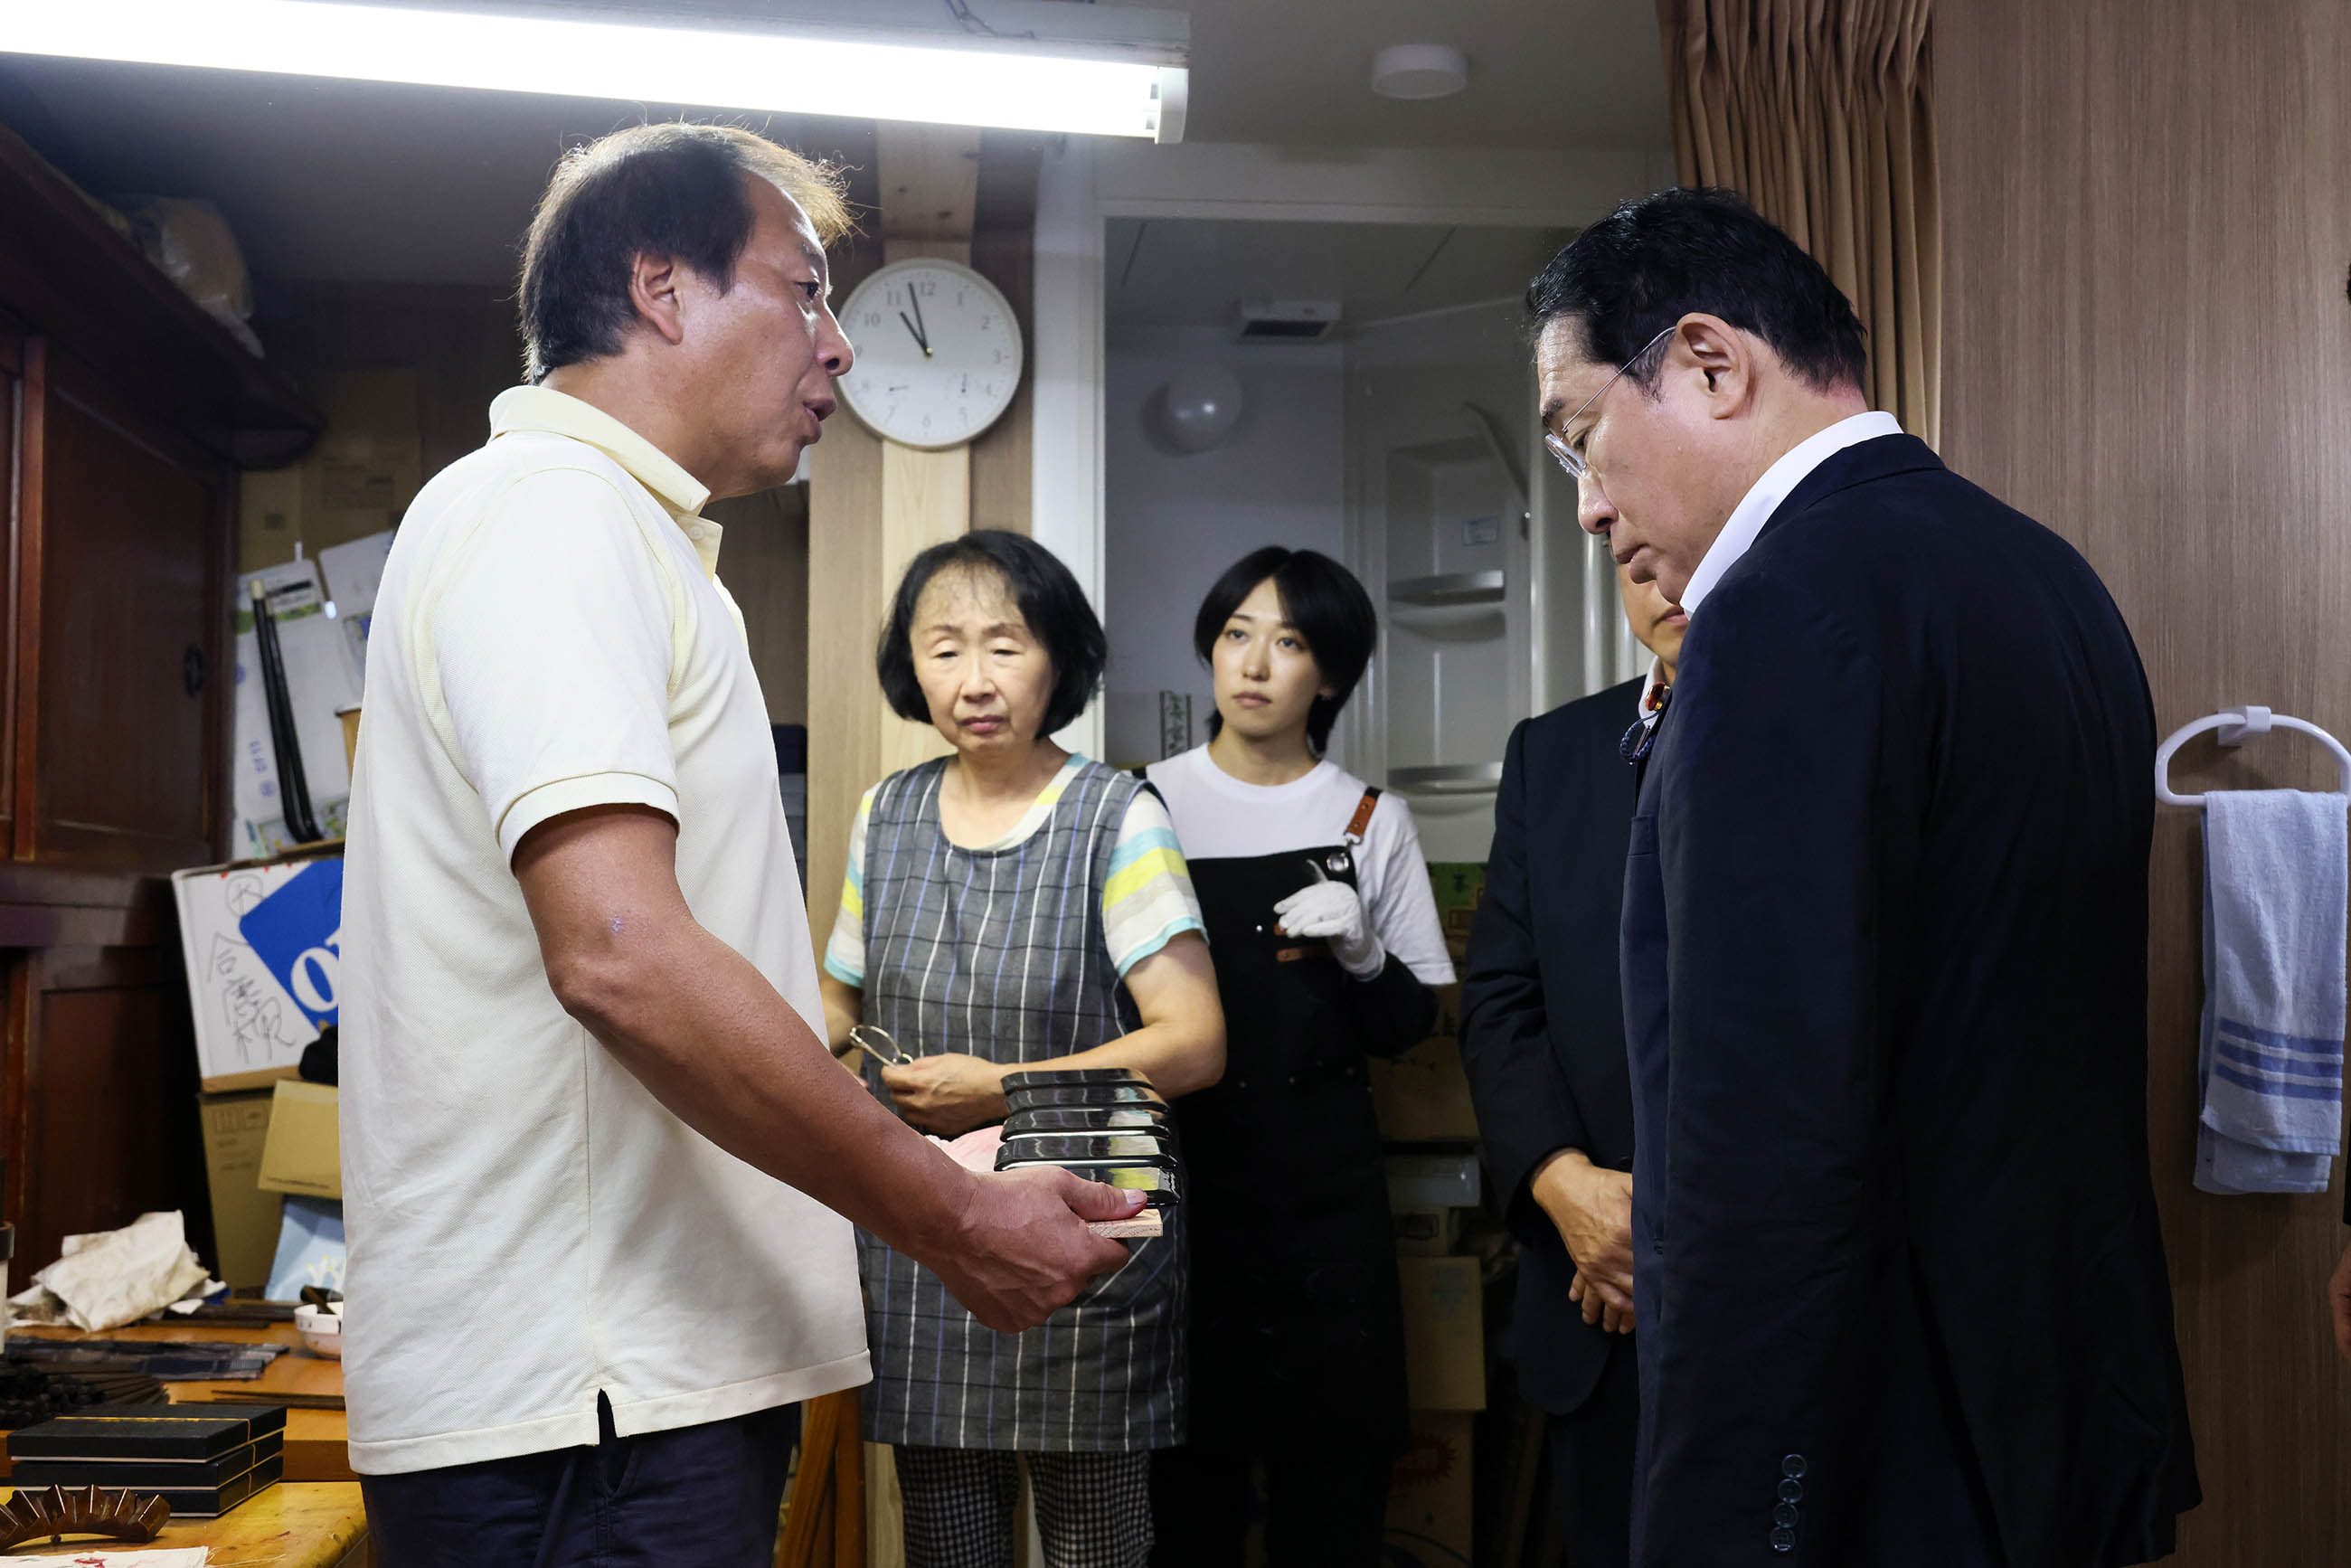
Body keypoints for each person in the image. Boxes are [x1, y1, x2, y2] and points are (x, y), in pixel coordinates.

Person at [339, 125, 1142, 1566]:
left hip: (630, 1396)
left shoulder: (632, 542)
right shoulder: (550, 516)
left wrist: (904, 1146)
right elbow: (623, 955)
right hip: (584, 1416)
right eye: (807, 291)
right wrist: (952, 1218)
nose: (840, 347)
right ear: (662, 288)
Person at [1533, 187, 2201, 1564]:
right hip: (2061, 1423)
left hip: (1879, 1459)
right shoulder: (2048, 576)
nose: (1592, 509)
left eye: (1585, 440)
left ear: (1712, 364)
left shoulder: (1776, 611)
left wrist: (1720, 1525)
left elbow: (1758, 1141)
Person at [819, 529, 1225, 1568]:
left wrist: (998, 1088)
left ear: (1059, 658)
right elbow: (832, 1009)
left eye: (1004, 644)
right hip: (925, 1239)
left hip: (1082, 1241)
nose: (974, 678)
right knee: (948, 1539)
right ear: (908, 667)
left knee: (1095, 1542)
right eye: (942, 647)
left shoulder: (1117, 815)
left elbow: (1193, 1044)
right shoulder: (885, 814)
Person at [1141, 548, 1456, 1567]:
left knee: (1334, 1501)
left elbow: (1411, 1025)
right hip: (1178, 1204)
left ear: (1328, 675)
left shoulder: (1368, 819)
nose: (1255, 663)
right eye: (1237, 633)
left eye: (1289, 643)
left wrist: (1364, 952)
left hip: (1327, 1212)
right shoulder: (1138, 805)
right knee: (1185, 1503)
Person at [1457, 562, 1682, 1568]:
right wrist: (1566, 1187)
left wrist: (1677, 1218)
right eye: (1640, 563)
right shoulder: (1552, 753)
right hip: (1592, 1283)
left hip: (1778, 1286)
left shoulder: (1826, 727)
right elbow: (1500, 1002)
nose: (1667, 582)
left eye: (1697, 557)